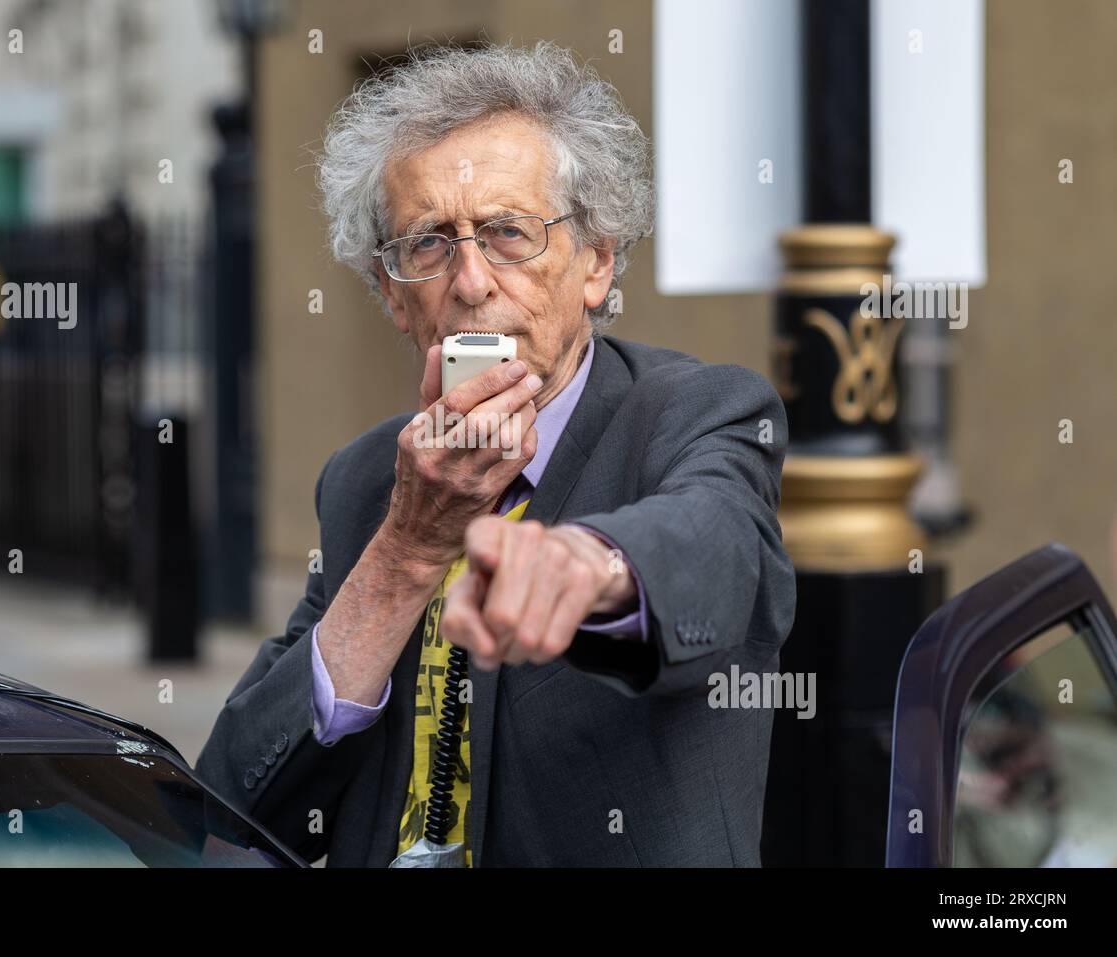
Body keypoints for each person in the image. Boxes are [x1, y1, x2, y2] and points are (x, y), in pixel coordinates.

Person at [197, 41, 796, 866]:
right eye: (429, 245)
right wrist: (405, 550)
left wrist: (589, 567)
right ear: (392, 297)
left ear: (596, 261)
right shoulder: (369, 479)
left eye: (509, 234)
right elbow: (231, 802)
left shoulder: (696, 410)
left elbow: (721, 549)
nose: (472, 282)